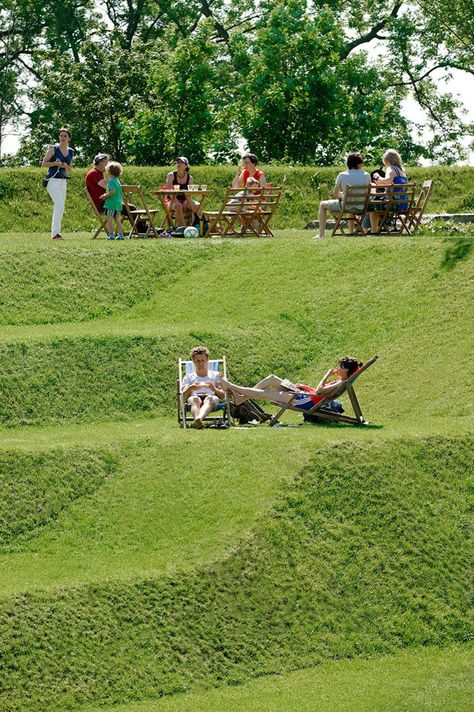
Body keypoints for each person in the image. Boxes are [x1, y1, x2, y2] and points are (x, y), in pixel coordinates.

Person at [221, 357, 363, 410]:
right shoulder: (341, 381)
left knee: (269, 394)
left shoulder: (340, 383)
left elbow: (319, 391)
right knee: (272, 378)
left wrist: (327, 375)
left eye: (340, 367)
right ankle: (242, 398)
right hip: (304, 395)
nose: (337, 369)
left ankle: (232, 386)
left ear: (345, 369)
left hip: (305, 401)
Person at [316, 153, 370, 238]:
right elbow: (366, 193)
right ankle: (351, 231)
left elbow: (335, 194)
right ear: (359, 164)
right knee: (349, 203)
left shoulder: (342, 175)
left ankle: (321, 234)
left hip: (346, 205)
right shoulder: (366, 175)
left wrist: (343, 195)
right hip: (361, 206)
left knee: (322, 205)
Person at [364, 149, 408, 234]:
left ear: (387, 160)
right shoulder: (402, 172)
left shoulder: (391, 168)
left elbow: (388, 180)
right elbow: (394, 185)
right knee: (375, 202)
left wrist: (378, 177)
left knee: (372, 205)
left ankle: (372, 231)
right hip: (402, 203)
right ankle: (370, 229)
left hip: (392, 204)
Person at [181, 346, 226, 428]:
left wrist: (214, 389)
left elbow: (222, 396)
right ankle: (198, 420)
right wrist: (191, 388)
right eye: (197, 361)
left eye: (203, 360)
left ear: (207, 360)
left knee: (210, 398)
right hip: (195, 397)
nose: (200, 363)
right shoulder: (188, 377)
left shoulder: (216, 375)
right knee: (195, 399)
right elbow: (183, 397)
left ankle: (198, 419)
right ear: (193, 361)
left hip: (211, 397)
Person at [42, 127, 74, 240]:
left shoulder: (71, 151)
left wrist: (65, 166)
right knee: (59, 204)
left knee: (60, 206)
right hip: (52, 180)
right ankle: (55, 234)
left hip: (63, 181)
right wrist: (55, 163)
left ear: (69, 138)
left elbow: (70, 169)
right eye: (61, 135)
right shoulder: (53, 149)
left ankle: (56, 233)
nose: (63, 138)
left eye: (65, 136)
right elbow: (44, 163)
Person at [166, 157, 199, 226]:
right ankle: (183, 228)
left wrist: (187, 201)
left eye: (181, 162)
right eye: (177, 162)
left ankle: (194, 227)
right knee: (178, 206)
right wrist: (176, 201)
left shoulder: (189, 178)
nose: (178, 164)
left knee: (197, 205)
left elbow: (190, 193)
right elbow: (169, 191)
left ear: (186, 165)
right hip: (171, 200)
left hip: (185, 199)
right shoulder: (171, 175)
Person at [100, 161, 124, 240]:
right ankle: (121, 235)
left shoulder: (111, 181)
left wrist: (105, 196)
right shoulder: (117, 181)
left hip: (111, 203)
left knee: (109, 220)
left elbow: (112, 191)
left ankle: (111, 235)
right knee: (117, 220)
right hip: (118, 203)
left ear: (109, 171)